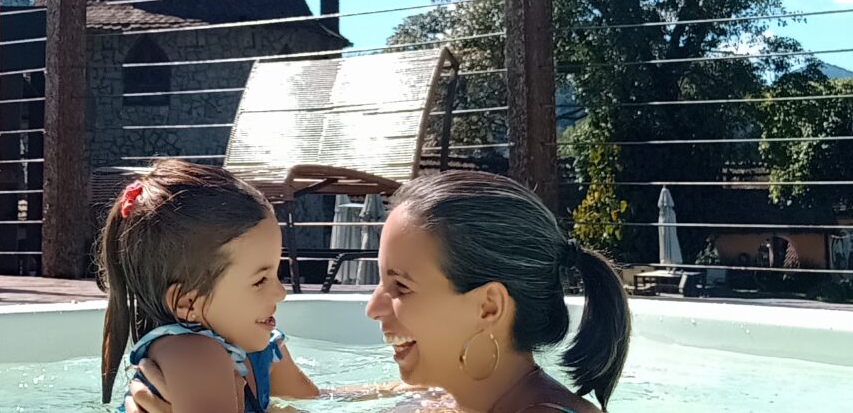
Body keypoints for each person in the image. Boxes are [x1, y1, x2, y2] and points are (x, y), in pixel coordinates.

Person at [126, 171, 631, 412]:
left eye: (400, 286)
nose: (372, 308)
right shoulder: (444, 399)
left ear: (488, 306)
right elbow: (324, 400)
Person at [98, 159, 319, 412]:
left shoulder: (261, 349)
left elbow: (324, 400)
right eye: (260, 280)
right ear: (188, 302)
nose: (280, 293)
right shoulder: (192, 352)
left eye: (277, 273)